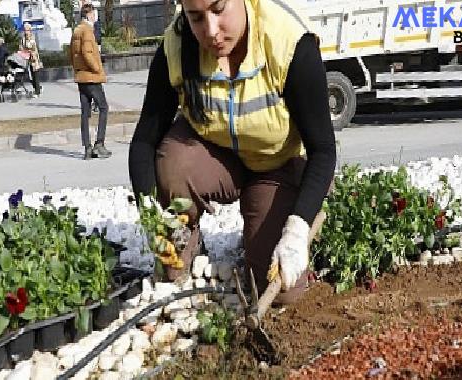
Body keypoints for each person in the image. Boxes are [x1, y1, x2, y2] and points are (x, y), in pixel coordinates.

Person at [128, 0, 336, 303]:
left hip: (275, 165)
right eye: (196, 17)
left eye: (219, 8)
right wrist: (151, 215)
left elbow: (324, 150)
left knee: (280, 290)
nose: (211, 31)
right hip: (217, 156)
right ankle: (187, 243)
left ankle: (263, 221)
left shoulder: (289, 43)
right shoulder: (176, 46)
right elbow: (144, 141)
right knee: (174, 163)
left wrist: (296, 230)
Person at [70, 3, 111, 160]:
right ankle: (99, 143)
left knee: (85, 113)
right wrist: (96, 69)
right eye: (94, 14)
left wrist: (77, 70)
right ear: (88, 15)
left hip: (81, 77)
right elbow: (87, 54)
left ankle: (87, 148)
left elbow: (72, 54)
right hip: (91, 78)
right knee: (103, 107)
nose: (96, 17)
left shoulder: (77, 30)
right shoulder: (87, 31)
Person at [19, 23, 42, 97]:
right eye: (25, 30)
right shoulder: (23, 39)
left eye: (27, 30)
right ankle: (37, 88)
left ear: (30, 30)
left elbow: (32, 48)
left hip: (33, 60)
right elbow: (21, 47)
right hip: (26, 60)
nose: (26, 32)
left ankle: (37, 92)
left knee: (35, 75)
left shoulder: (32, 38)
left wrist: (27, 50)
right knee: (30, 76)